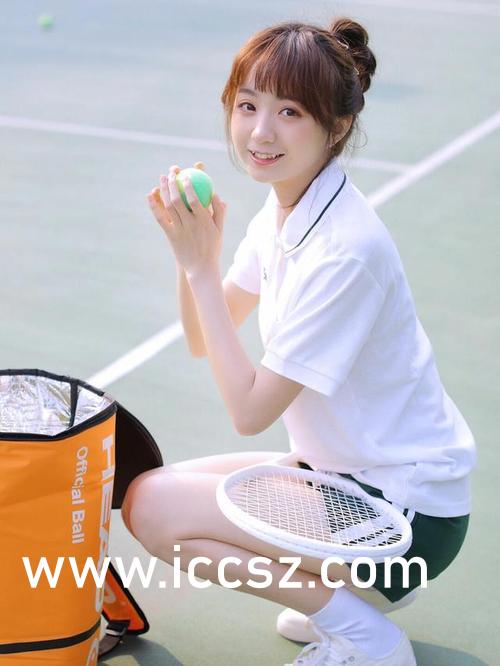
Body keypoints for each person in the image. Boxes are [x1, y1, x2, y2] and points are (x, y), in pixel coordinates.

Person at [122, 17, 476, 665]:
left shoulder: (346, 252)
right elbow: (203, 336)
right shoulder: (287, 207)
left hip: (409, 520)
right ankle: (347, 602)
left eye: (289, 112)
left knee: (154, 509)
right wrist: (190, 252)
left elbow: (250, 411)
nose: (261, 132)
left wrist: (201, 268)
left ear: (336, 127)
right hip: (342, 474)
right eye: (248, 105)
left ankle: (368, 636)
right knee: (154, 487)